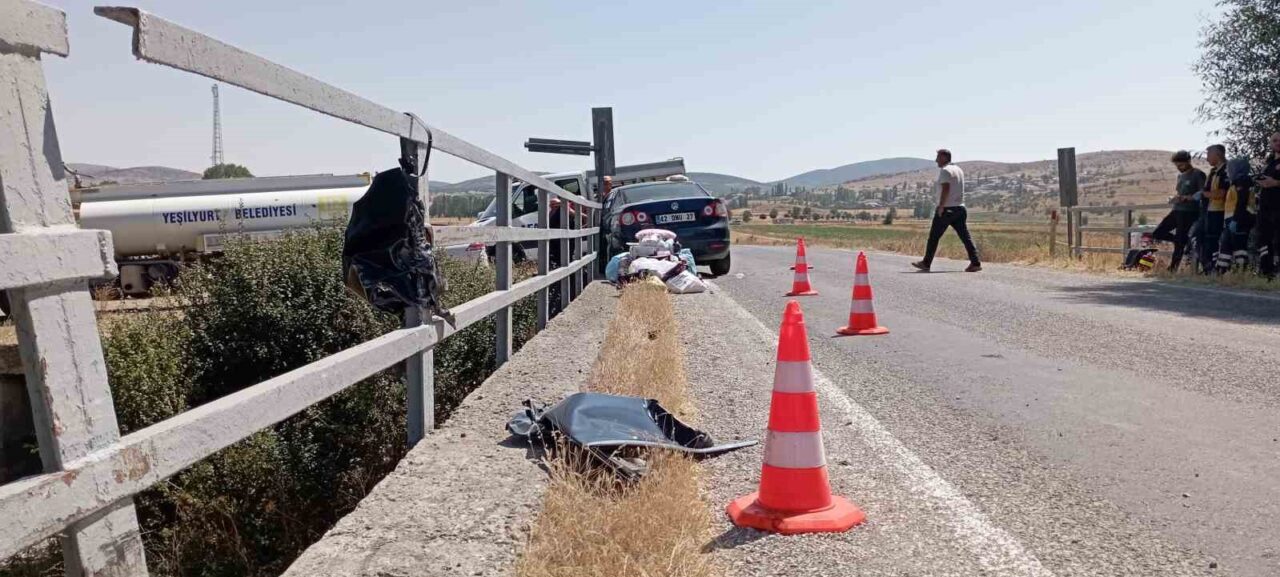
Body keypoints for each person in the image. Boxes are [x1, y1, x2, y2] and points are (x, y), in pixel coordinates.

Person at [912, 149, 981, 272]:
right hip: (960, 208)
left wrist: (941, 206)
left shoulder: (945, 170)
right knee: (965, 237)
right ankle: (975, 263)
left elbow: (946, 188)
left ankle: (926, 263)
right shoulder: (958, 169)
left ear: (944, 157)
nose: (936, 160)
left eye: (938, 157)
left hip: (947, 209)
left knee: (934, 237)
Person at [1151, 150, 1205, 272]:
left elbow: (1202, 193)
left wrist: (1185, 198)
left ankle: (1173, 268)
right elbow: (1180, 192)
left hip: (1189, 212)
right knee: (1158, 233)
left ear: (1188, 161)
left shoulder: (1198, 174)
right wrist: (1175, 198)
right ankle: (1183, 241)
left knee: (1180, 240)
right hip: (1177, 210)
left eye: (1181, 165)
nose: (1179, 167)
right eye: (1177, 165)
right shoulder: (1180, 176)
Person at [1217, 156, 1256, 273]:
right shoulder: (1238, 181)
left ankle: (1241, 271)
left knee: (1238, 246)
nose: (1227, 171)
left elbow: (1242, 201)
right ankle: (1222, 271)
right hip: (1234, 218)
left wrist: (1236, 219)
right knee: (1227, 244)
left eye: (1230, 168)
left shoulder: (1242, 180)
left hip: (1240, 218)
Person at [1199, 145, 1230, 273]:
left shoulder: (1227, 170)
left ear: (1217, 155)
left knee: (1218, 240)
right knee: (1207, 239)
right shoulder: (1212, 172)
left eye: (1208, 155)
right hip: (1209, 211)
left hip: (1222, 212)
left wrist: (1203, 194)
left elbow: (1222, 193)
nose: (1206, 159)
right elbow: (1207, 191)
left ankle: (1218, 268)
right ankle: (1208, 266)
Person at [1255, 132, 1280, 278]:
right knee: (1264, 239)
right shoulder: (1269, 163)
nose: (1278, 143)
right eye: (1275, 140)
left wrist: (1275, 183)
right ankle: (1266, 272)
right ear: (1270, 143)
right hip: (1265, 208)